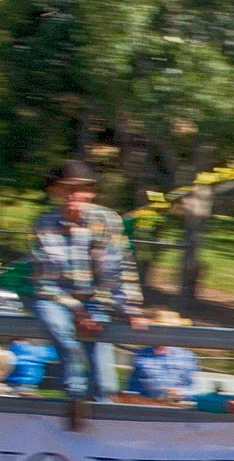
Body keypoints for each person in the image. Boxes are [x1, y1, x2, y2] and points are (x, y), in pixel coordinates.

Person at [30, 160, 149, 424]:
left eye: (79, 189)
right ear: (56, 191)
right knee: (58, 328)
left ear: (90, 192)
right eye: (66, 188)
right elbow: (45, 280)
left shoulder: (107, 221)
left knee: (103, 372)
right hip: (56, 298)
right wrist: (75, 308)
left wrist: (129, 309)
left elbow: (120, 268)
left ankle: (101, 417)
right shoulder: (44, 224)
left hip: (96, 301)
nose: (73, 195)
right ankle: (74, 395)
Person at [125, 331, 201, 403]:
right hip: (145, 404)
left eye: (165, 332)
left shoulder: (186, 357)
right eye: (157, 332)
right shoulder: (142, 354)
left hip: (175, 406)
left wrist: (180, 392)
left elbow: (195, 391)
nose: (161, 335)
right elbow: (132, 387)